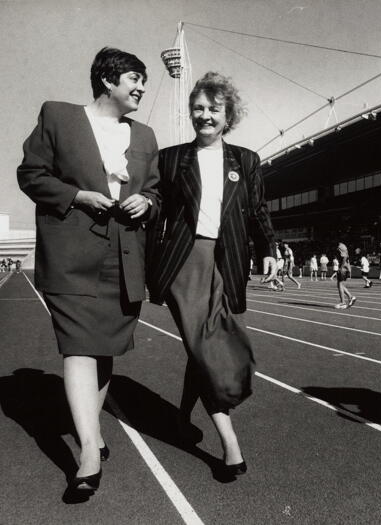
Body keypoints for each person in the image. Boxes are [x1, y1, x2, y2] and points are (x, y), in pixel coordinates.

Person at [17, 47, 160, 493]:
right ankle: (88, 451)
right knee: (78, 346)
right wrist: (77, 197)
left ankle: (91, 433)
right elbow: (31, 174)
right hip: (71, 255)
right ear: (108, 81)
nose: (141, 88)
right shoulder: (58, 116)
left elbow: (155, 191)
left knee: (102, 349)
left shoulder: (147, 136)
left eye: (144, 81)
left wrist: (148, 202)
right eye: (135, 78)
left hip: (125, 257)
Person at [147, 72, 277, 477]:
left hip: (230, 261)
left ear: (228, 116)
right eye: (198, 108)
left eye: (213, 109)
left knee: (202, 347)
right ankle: (231, 447)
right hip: (186, 262)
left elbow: (256, 212)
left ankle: (182, 415)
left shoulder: (246, 160)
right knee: (209, 349)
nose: (204, 115)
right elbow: (156, 211)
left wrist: (269, 248)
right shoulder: (170, 159)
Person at [334, 242, 356, 309]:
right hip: (345, 267)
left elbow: (345, 257)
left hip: (343, 268)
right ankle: (351, 297)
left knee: (340, 284)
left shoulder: (341, 246)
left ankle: (343, 302)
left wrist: (341, 268)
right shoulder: (341, 246)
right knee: (339, 284)